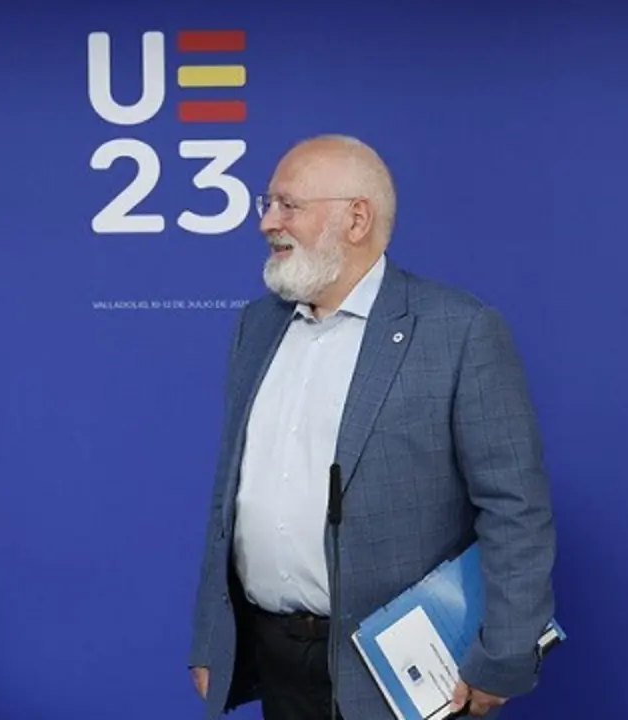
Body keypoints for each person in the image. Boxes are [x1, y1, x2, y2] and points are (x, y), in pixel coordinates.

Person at [187, 135, 557, 719]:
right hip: (278, 661)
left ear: (356, 219)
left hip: (404, 677)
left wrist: (507, 653)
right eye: (268, 203)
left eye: (287, 205)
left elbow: (516, 509)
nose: (267, 222)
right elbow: (229, 496)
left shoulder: (458, 331)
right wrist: (214, 635)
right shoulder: (255, 327)